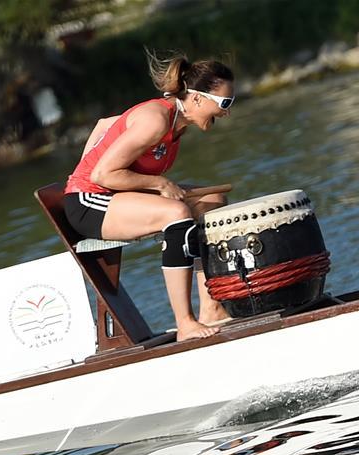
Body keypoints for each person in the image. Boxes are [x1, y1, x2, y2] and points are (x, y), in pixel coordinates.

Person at [64, 50, 235, 341]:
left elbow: (105, 124)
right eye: (224, 103)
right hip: (88, 204)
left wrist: (157, 186)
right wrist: (158, 184)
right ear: (195, 98)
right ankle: (185, 323)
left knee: (211, 203)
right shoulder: (156, 119)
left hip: (118, 196)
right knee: (177, 215)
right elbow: (102, 175)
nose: (226, 112)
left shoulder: (175, 123)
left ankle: (212, 308)